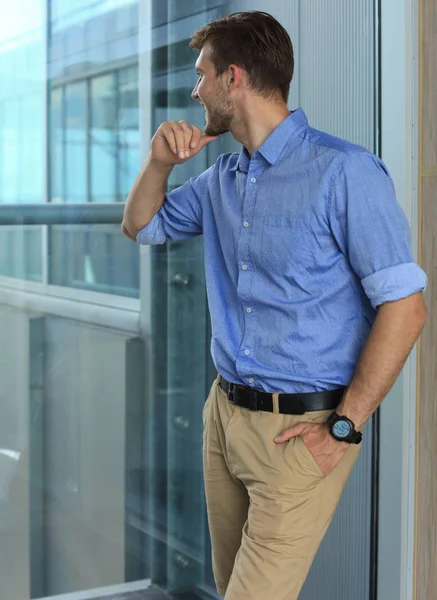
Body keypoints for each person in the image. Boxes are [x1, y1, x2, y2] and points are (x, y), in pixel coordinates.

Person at [122, 10, 427, 600]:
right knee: (226, 585)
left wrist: (344, 426)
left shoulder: (345, 172)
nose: (195, 91)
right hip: (225, 417)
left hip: (304, 430)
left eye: (202, 75)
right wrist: (159, 162)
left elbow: (406, 308)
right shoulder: (222, 180)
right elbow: (142, 225)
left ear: (233, 77)